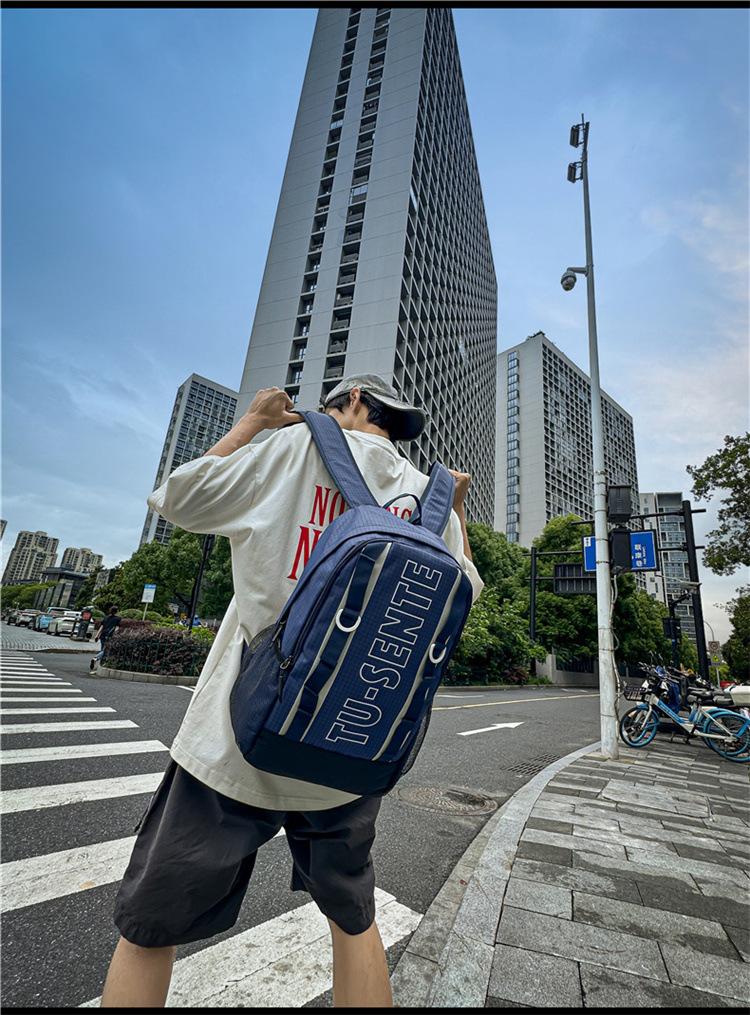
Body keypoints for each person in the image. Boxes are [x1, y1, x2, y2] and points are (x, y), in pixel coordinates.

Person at [100, 378, 483, 1009]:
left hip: (237, 738)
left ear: (352, 401)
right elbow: (464, 589)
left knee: (150, 926)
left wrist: (252, 422)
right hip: (350, 745)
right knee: (354, 922)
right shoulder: (429, 492)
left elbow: (178, 499)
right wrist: (453, 510)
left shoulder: (294, 446)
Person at [90, 607, 121, 671]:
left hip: (103, 635)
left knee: (102, 649)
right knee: (106, 650)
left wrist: (97, 635)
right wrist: (115, 635)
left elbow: (102, 627)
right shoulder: (118, 619)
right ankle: (96, 658)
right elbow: (117, 628)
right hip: (109, 635)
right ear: (116, 611)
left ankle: (101, 663)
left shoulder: (106, 618)